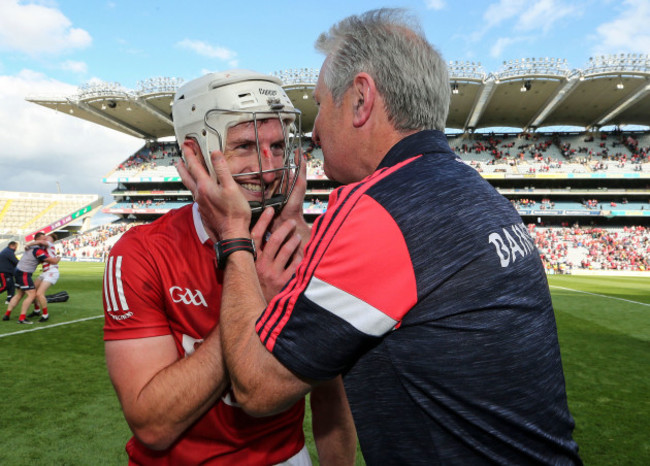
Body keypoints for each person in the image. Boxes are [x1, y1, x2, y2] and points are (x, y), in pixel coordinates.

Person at [178, 8, 582, 465]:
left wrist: (233, 234)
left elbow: (257, 386)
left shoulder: (381, 208)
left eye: (322, 103)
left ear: (360, 100)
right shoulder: (475, 190)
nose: (313, 129)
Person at [103, 70, 355, 465]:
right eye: (244, 146)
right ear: (194, 152)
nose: (269, 170)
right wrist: (260, 303)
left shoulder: (304, 247)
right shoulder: (140, 253)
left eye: (276, 146)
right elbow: (152, 425)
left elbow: (331, 401)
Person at [3, 233, 60, 324]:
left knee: (21, 294)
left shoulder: (41, 247)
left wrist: (30, 245)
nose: (45, 239)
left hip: (20, 271)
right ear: (38, 239)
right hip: (25, 273)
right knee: (32, 295)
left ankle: (8, 314)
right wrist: (57, 259)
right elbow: (52, 261)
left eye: (46, 237)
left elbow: (40, 260)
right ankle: (22, 318)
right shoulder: (38, 250)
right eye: (43, 238)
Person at [28, 232, 60, 322]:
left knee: (39, 293)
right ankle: (36, 310)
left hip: (51, 271)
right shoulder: (46, 248)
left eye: (48, 238)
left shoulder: (49, 244)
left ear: (51, 240)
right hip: (45, 272)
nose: (46, 239)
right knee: (32, 290)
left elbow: (41, 242)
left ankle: (45, 315)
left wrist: (29, 244)